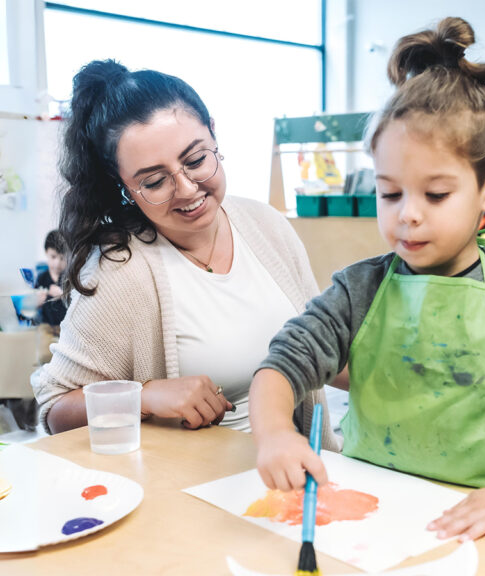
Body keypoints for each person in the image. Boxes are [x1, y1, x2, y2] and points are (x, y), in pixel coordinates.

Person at [249, 17, 485, 545]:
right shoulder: (357, 290)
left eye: (435, 195)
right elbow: (282, 364)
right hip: (373, 520)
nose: (407, 215)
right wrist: (275, 433)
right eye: (390, 194)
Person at [31, 60, 338, 452]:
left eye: (195, 160)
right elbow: (54, 408)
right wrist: (142, 396)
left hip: (295, 475)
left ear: (213, 131)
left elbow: (324, 345)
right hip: (189, 492)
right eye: (155, 181)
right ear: (123, 186)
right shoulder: (121, 271)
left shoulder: (265, 225)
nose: (187, 189)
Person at [35, 229, 68, 328]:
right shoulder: (41, 278)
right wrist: (37, 303)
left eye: (62, 258)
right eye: (53, 257)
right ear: (46, 252)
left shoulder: (70, 279)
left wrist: (63, 295)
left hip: (65, 330)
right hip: (47, 328)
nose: (57, 263)